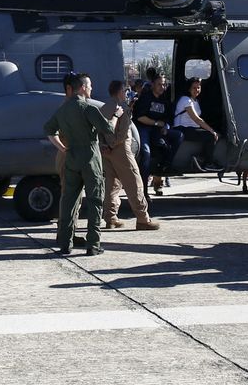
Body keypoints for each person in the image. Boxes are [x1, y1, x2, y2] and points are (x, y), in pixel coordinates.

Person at [43, 72, 116, 256]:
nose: (91, 88)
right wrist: (116, 116)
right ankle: (93, 244)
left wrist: (62, 148)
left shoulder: (63, 110)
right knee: (95, 201)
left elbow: (49, 130)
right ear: (82, 87)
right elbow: (108, 130)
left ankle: (66, 244)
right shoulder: (88, 108)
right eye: (89, 85)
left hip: (72, 157)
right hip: (90, 158)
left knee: (68, 201)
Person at [100, 79, 158, 230]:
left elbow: (99, 129)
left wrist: (104, 146)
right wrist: (112, 145)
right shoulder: (122, 108)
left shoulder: (104, 107)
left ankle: (110, 218)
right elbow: (123, 133)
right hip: (121, 149)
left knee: (112, 185)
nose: (126, 94)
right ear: (120, 92)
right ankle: (143, 219)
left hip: (105, 152)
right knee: (134, 182)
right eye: (125, 91)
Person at [131, 70, 174, 194]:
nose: (162, 87)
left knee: (177, 137)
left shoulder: (165, 99)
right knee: (146, 153)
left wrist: (166, 125)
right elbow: (140, 117)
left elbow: (168, 117)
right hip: (143, 128)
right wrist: (156, 123)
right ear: (153, 84)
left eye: (164, 84)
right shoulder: (145, 97)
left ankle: (164, 168)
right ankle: (143, 190)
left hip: (157, 129)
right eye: (160, 84)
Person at [168, 78, 219, 171]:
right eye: (194, 88)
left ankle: (200, 159)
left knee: (213, 134)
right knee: (211, 136)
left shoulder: (195, 101)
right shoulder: (186, 100)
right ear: (189, 89)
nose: (197, 90)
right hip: (182, 128)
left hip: (191, 128)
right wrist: (211, 130)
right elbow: (196, 119)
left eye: (198, 87)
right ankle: (208, 163)